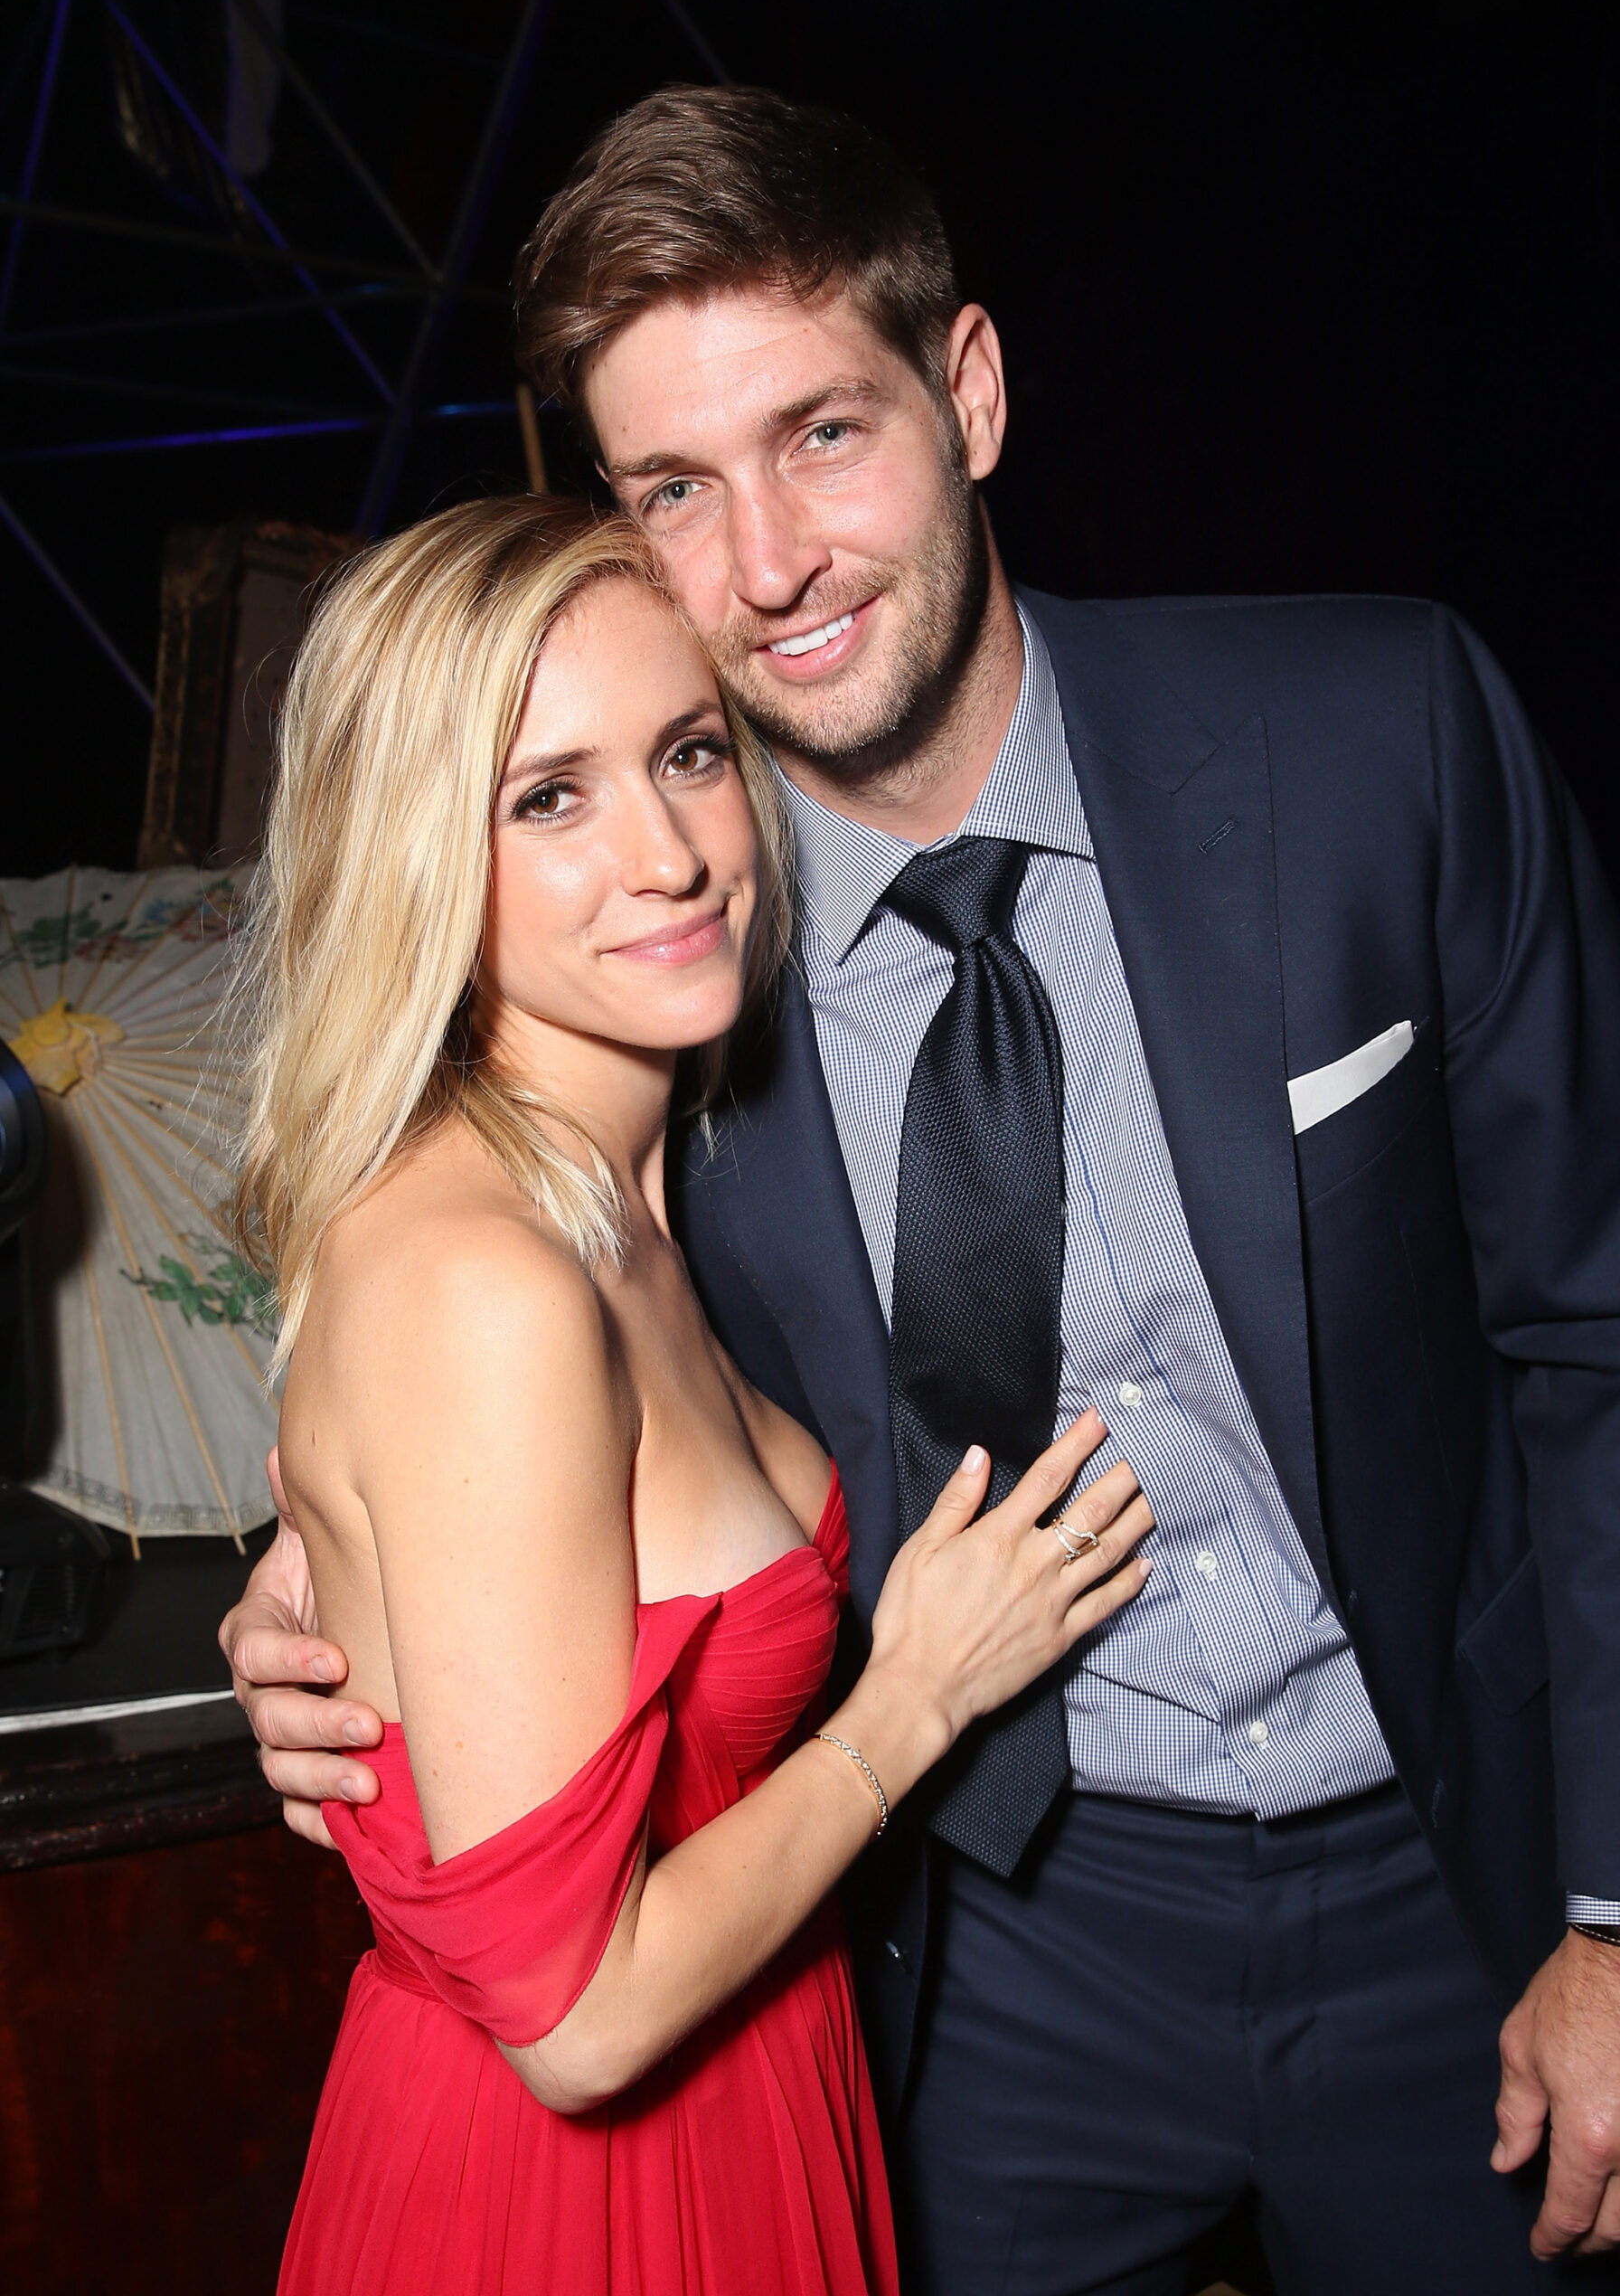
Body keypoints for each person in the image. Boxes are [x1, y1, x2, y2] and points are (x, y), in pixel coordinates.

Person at [223, 89, 1620, 2295]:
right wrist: (321, 1591)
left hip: (1452, 1874)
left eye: (823, 435)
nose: (767, 561)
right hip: (979, 1934)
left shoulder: (1377, 739)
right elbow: (498, 1379)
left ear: (967, 392)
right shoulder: (639, 961)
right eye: (675, 487)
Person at [231, 493, 1152, 2296]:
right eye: (548, 795)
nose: (666, 853)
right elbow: (573, 2019)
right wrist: (916, 1698)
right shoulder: (491, 1281)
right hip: (565, 2202)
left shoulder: (659, 1194)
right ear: (423, 850)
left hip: (767, 2087)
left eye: (688, 752)